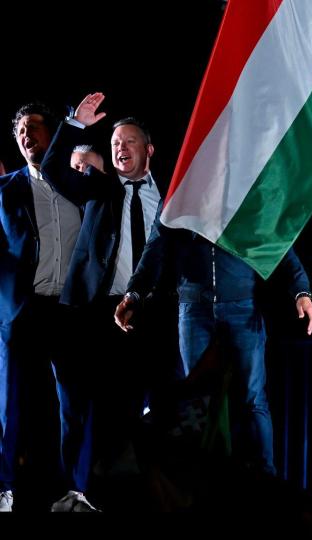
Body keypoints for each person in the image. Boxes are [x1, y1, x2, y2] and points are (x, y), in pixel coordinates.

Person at [113, 149, 312, 477]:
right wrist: (134, 293)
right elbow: (155, 248)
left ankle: (265, 481)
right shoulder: (179, 197)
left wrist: (301, 291)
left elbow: (279, 245)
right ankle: (202, 482)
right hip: (194, 310)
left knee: (251, 398)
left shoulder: (248, 196)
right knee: (196, 402)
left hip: (242, 307)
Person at [40, 93, 172, 509]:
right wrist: (75, 125)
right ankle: (85, 493)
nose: (120, 148)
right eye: (115, 142)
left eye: (129, 141)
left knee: (149, 407)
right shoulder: (99, 187)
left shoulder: (170, 196)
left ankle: (146, 492)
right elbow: (52, 169)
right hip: (98, 313)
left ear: (149, 150)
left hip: (153, 314)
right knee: (95, 407)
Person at [1, 103, 89, 511]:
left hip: (69, 310)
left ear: (53, 135)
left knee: (74, 404)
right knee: (9, 403)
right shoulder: (4, 190)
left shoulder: (78, 186)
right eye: (20, 129)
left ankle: (74, 490)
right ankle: (4, 488)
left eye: (34, 126)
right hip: (22, 310)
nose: (26, 134)